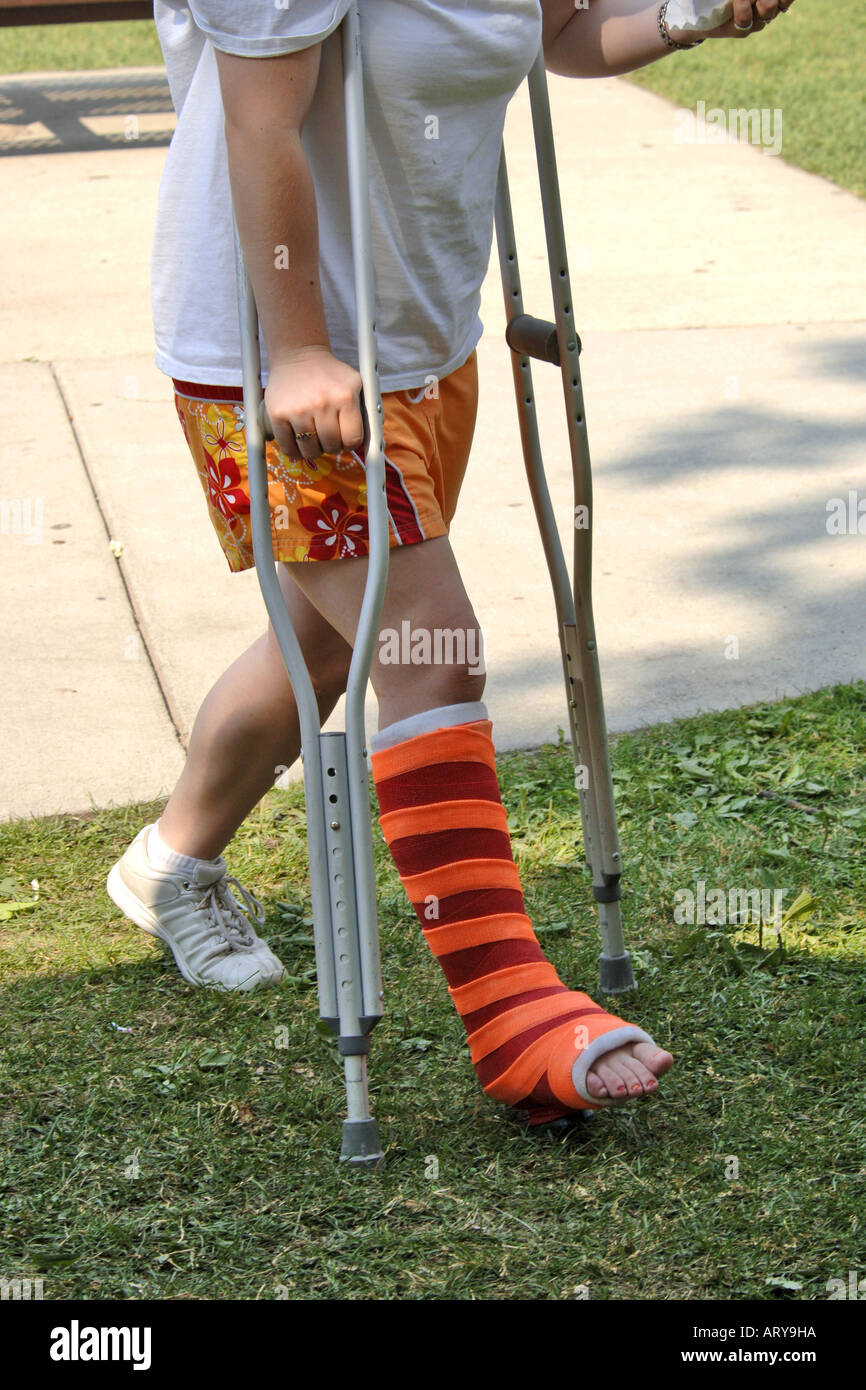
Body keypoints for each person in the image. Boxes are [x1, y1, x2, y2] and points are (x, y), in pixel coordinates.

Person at [108, 0, 794, 1126]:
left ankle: (170, 861)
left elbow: (561, 35)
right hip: (281, 360)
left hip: (421, 339)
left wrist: (686, 18)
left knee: (328, 639)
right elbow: (258, 126)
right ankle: (512, 1010)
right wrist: (292, 350)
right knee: (433, 650)